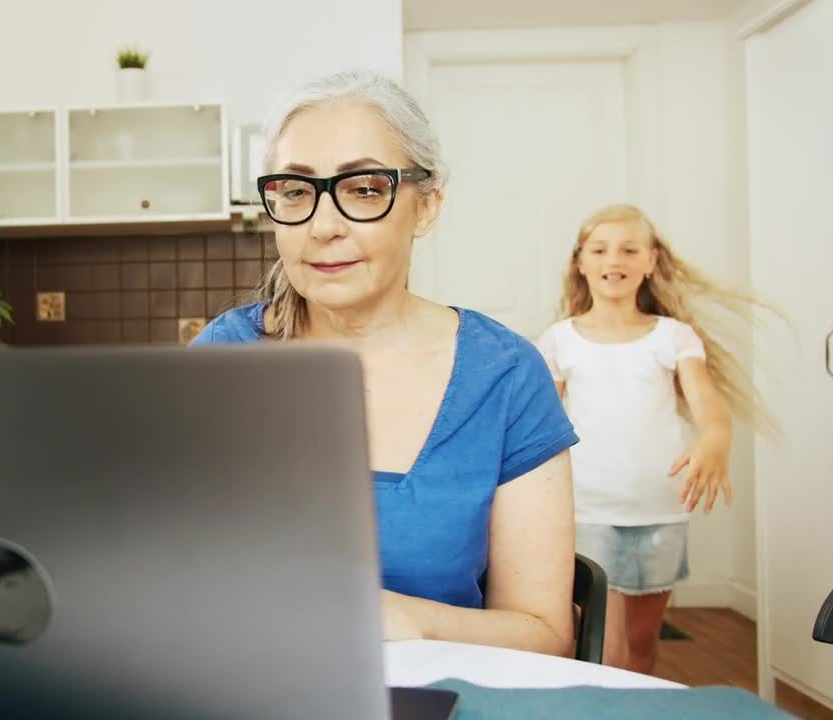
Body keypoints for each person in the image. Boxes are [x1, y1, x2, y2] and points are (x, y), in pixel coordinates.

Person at [190, 69, 579, 657]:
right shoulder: (223, 361)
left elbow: (545, 635)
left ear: (425, 207)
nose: (323, 227)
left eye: (364, 189)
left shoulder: (506, 376)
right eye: (295, 192)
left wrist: (397, 618)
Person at [535, 203, 768, 674]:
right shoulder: (560, 341)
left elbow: (709, 406)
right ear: (581, 262)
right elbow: (539, 426)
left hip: (660, 512)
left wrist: (716, 437)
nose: (613, 260)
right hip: (588, 511)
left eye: (628, 249)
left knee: (641, 645)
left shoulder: (673, 337)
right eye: (599, 249)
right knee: (605, 647)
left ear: (650, 262)